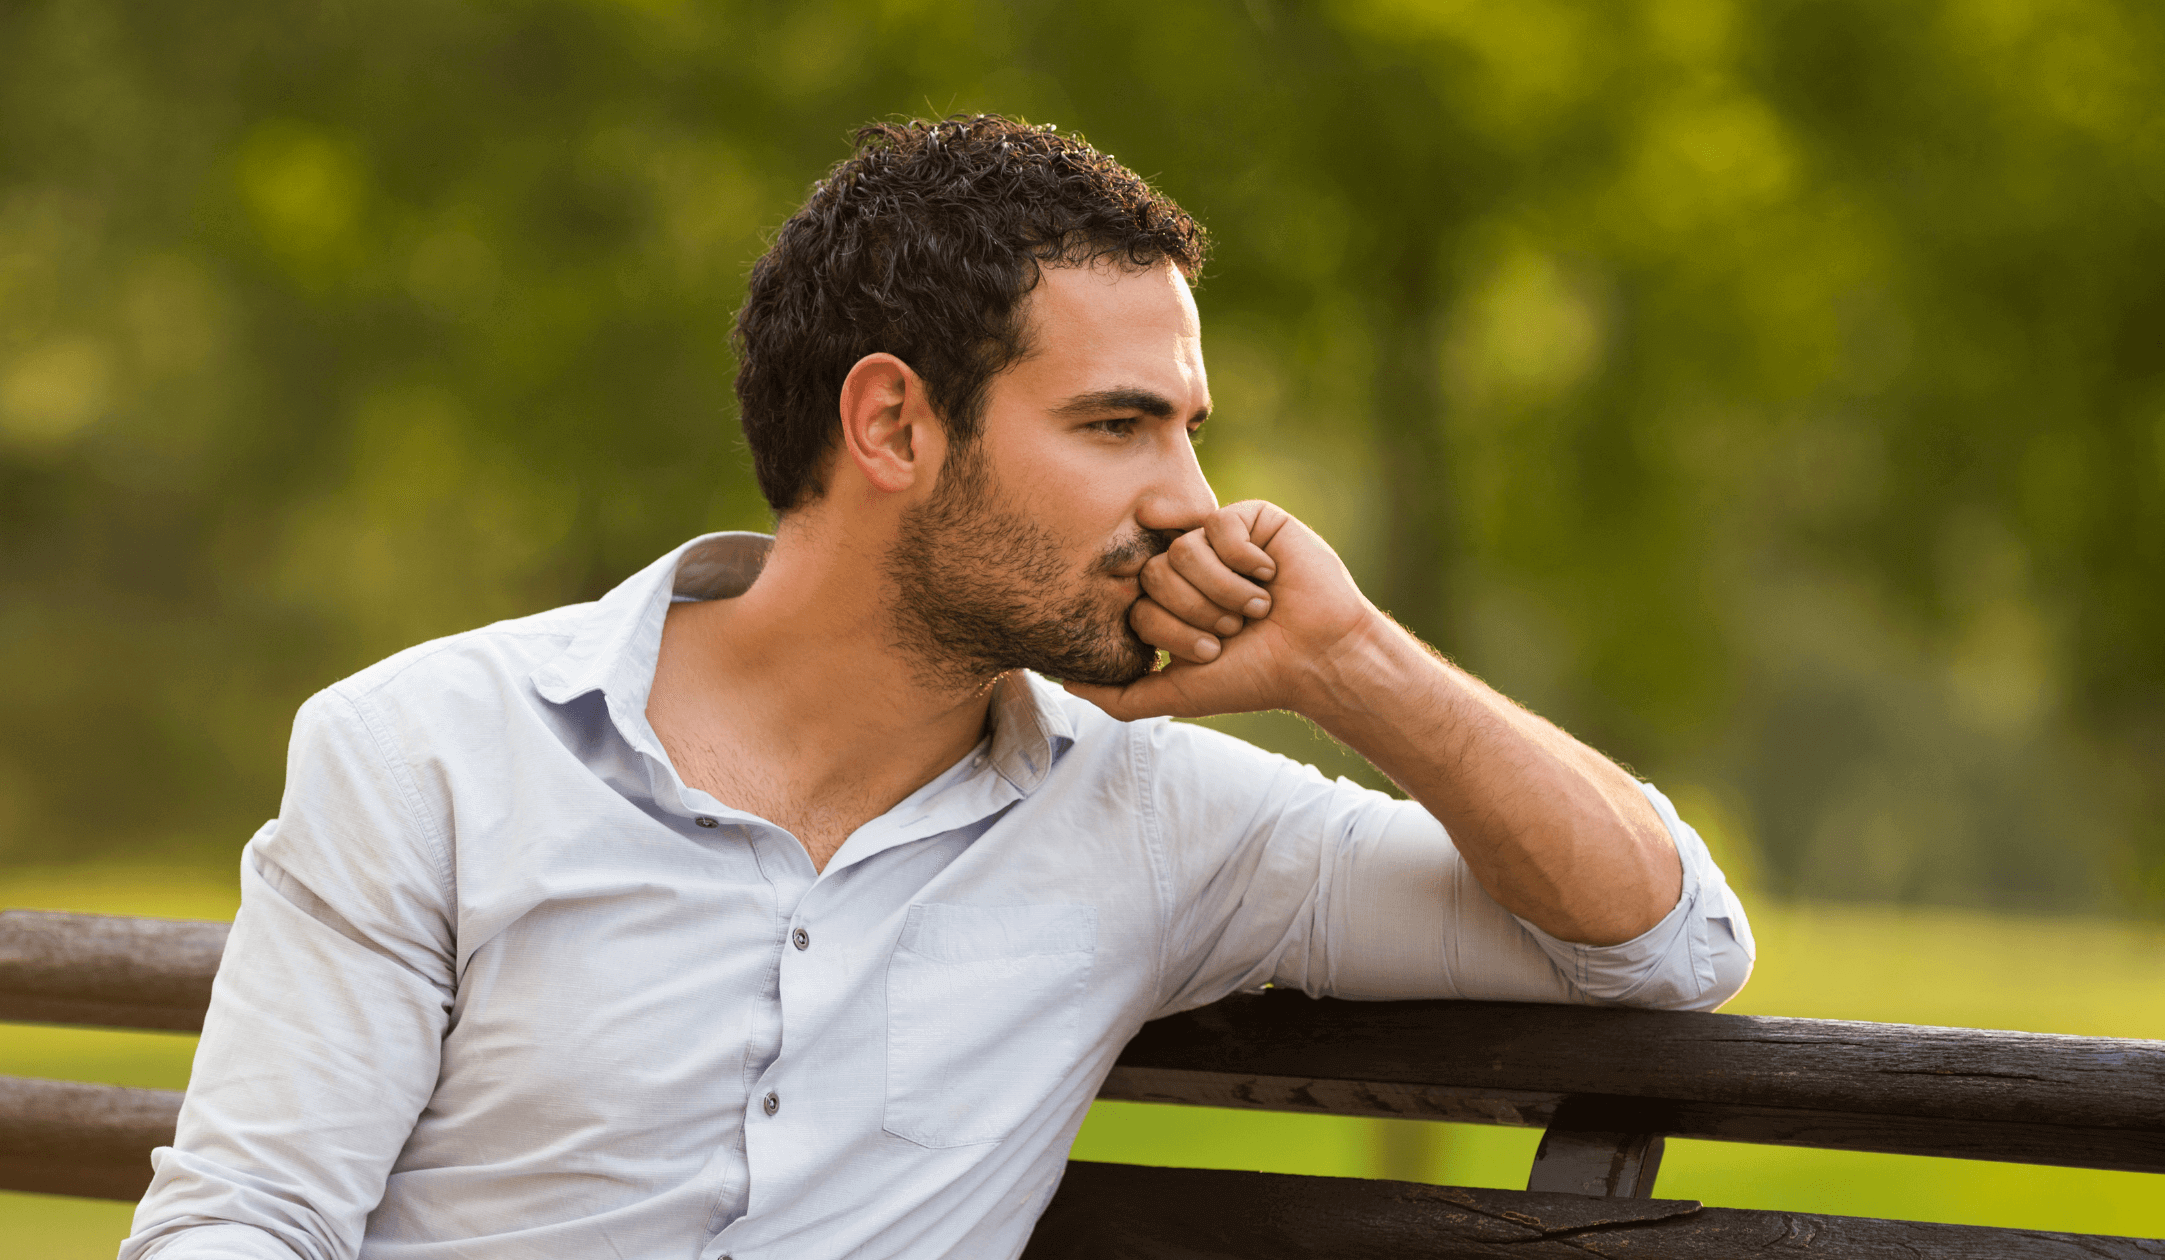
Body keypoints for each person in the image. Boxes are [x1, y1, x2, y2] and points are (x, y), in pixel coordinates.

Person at [121, 115, 1754, 1260]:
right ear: (893, 426)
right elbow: (249, 1222)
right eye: (1120, 426)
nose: (1191, 498)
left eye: (1192, 429)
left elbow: (1665, 942)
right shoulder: (431, 754)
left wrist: (1351, 665)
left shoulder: (1161, 822)